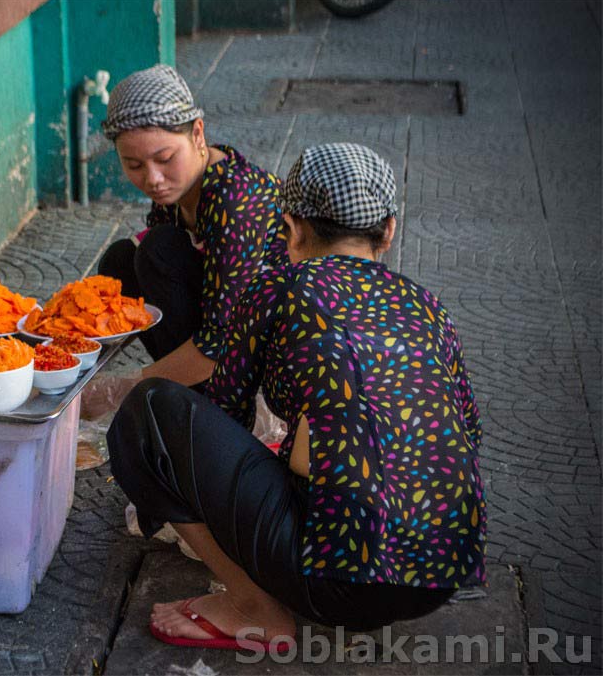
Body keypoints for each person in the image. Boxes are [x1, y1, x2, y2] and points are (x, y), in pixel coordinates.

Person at [108, 143, 486, 649]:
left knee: (148, 412)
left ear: (290, 228)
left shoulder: (281, 290)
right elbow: (467, 432)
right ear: (389, 231)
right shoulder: (429, 307)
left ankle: (252, 606)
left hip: (336, 583)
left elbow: (223, 411)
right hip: (442, 572)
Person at [94, 64, 285, 393]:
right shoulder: (176, 188)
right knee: (120, 262)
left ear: (198, 133)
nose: (153, 179)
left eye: (165, 158)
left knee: (157, 250)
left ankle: (199, 398)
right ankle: (181, 387)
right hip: (220, 327)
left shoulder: (235, 202)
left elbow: (223, 341)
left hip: (266, 354)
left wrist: (123, 389)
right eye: (134, 165)